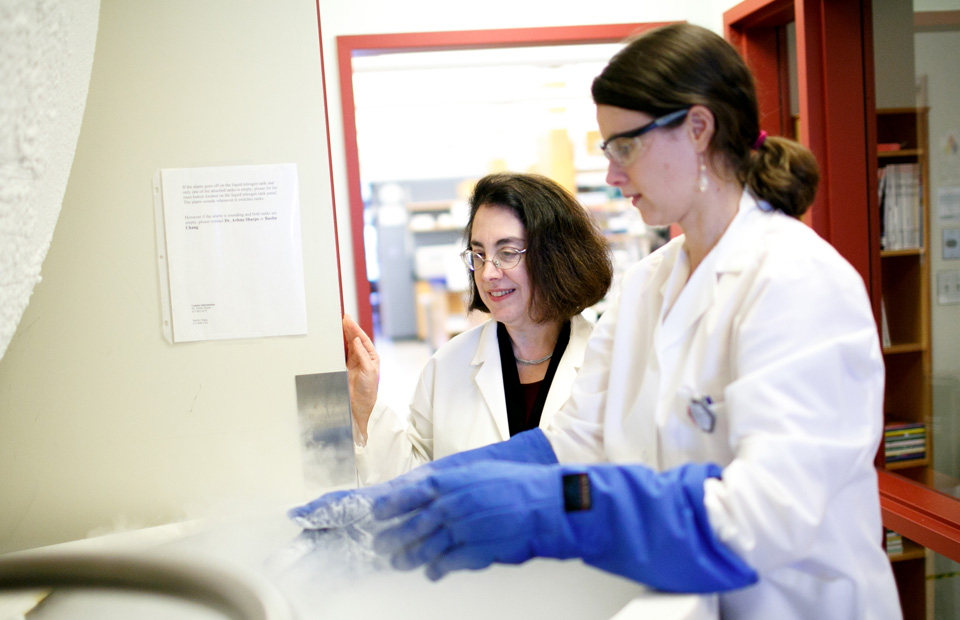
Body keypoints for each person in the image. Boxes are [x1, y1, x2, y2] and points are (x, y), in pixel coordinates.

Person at [290, 23, 901, 620]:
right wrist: (404, 499)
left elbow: (763, 520)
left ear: (697, 128)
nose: (611, 174)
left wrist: (560, 507)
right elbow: (574, 441)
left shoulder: (799, 282)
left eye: (624, 147)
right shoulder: (648, 286)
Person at [345, 171, 613, 485]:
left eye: (508, 253)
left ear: (556, 256)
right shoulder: (447, 366)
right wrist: (365, 407)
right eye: (479, 255)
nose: (487, 274)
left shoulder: (611, 363)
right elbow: (416, 484)